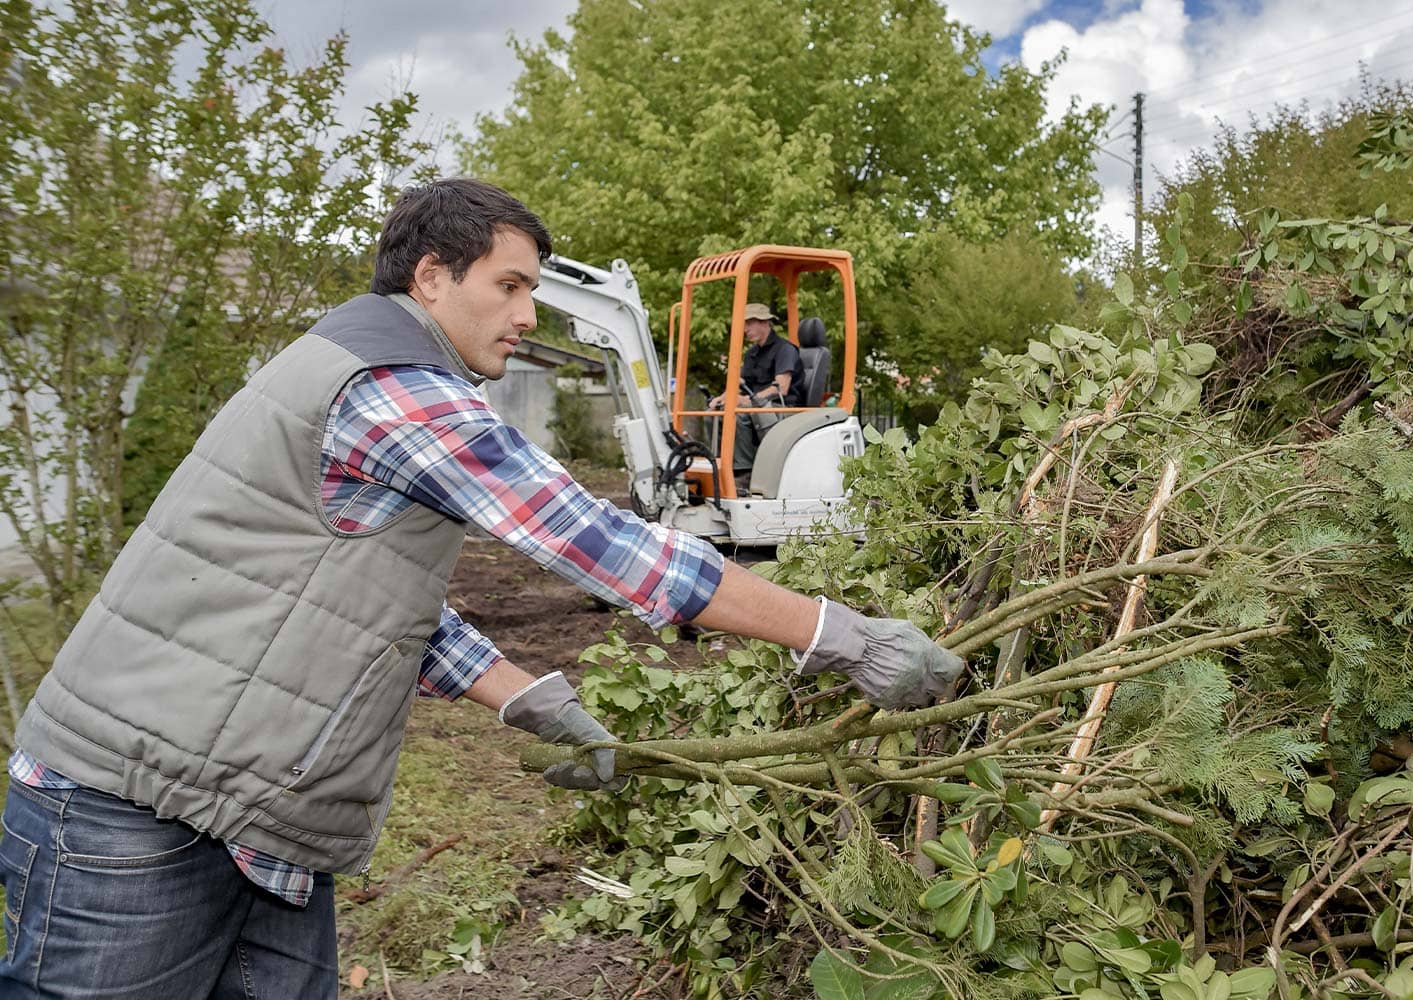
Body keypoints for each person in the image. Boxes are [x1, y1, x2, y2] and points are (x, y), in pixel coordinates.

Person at [0, 179, 962, 998]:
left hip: (245, 818)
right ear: (431, 278)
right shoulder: (393, 384)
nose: (528, 313)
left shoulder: (371, 367)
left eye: (533, 290)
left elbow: (365, 593)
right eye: (509, 286)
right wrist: (842, 635)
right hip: (131, 816)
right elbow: (597, 542)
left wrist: (528, 699)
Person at [729, 303, 805, 486]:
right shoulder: (752, 353)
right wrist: (723, 397)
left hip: (783, 406)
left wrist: (747, 400)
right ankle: (724, 464)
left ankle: (744, 472)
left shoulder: (785, 349)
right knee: (713, 413)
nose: (745, 329)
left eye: (749, 323)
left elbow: (781, 388)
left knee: (740, 415)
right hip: (758, 405)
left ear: (765, 323)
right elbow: (739, 384)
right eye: (744, 324)